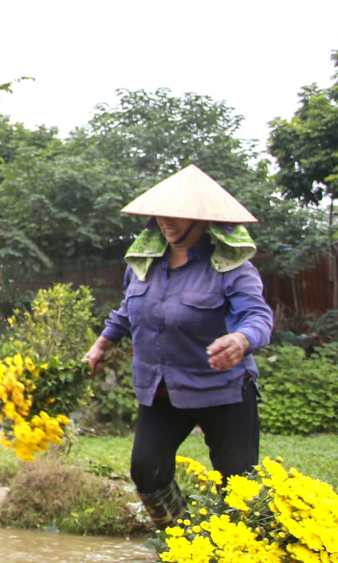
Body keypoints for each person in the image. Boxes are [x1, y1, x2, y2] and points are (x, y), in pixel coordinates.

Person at [81, 165, 274, 525]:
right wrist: (101, 345)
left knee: (239, 487)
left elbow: (258, 316)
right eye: (161, 215)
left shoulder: (231, 268)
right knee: (146, 471)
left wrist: (241, 338)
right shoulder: (145, 265)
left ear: (204, 220)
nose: (165, 223)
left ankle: (240, 560)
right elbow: (128, 309)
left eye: (176, 216)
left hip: (223, 391)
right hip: (162, 390)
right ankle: (180, 543)